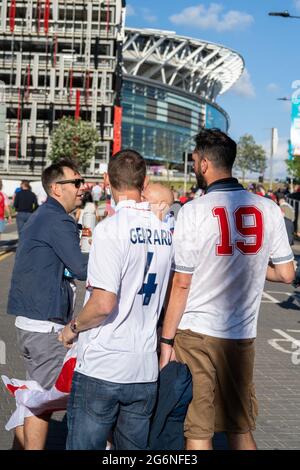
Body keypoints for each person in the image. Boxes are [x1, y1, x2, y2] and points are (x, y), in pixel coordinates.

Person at [159, 128, 295, 451]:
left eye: (194, 160)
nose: (194, 165)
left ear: (205, 164)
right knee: (239, 426)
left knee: (198, 428)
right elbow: (287, 273)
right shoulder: (269, 209)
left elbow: (181, 282)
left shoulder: (193, 211)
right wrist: (252, 266)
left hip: (196, 333)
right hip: (240, 335)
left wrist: (166, 339)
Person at [60, 149, 173, 450]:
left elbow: (103, 303)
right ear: (144, 182)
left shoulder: (110, 230)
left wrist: (72, 328)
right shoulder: (165, 232)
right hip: (143, 369)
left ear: (107, 180)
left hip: (103, 365)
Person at [7, 160, 88, 450]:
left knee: (37, 395)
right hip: (45, 326)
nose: (83, 188)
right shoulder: (57, 219)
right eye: (76, 183)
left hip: (31, 323)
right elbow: (80, 267)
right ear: (56, 188)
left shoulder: (44, 216)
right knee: (54, 399)